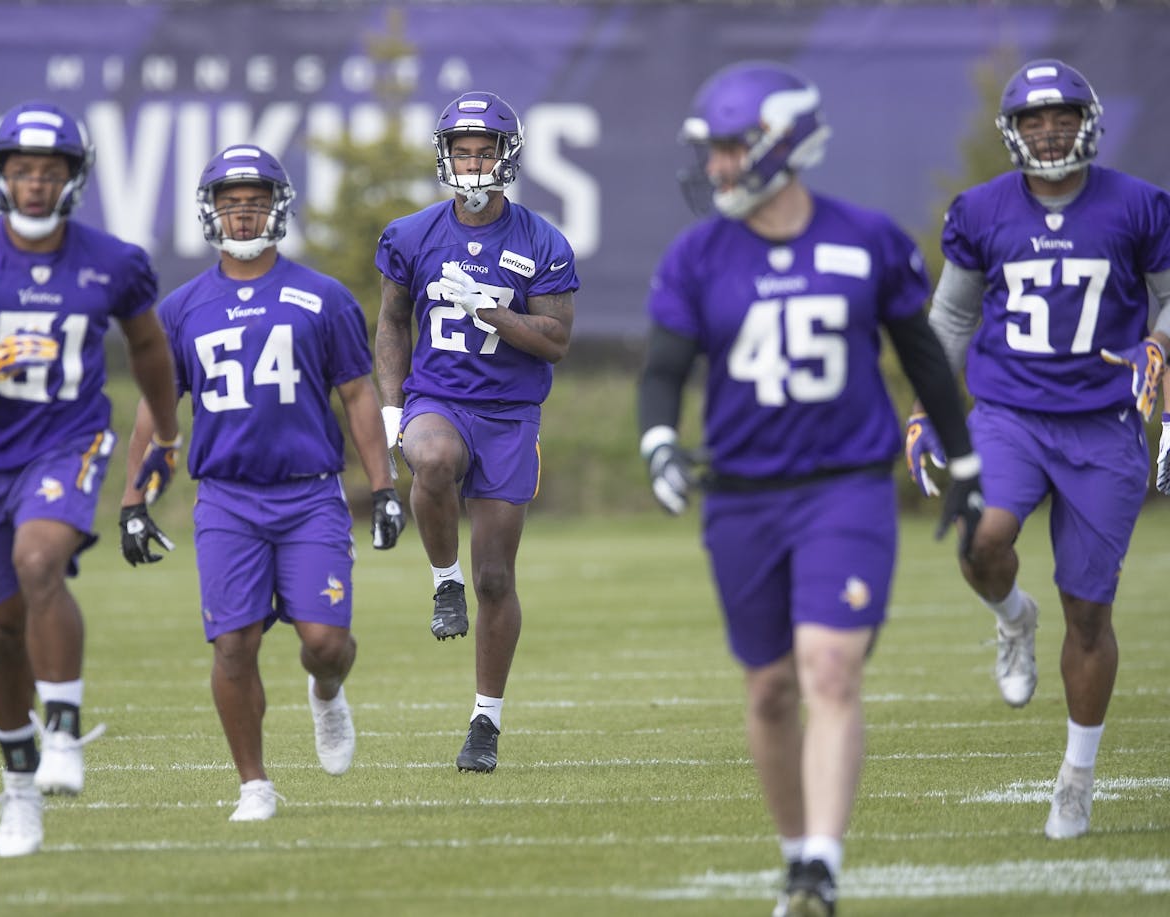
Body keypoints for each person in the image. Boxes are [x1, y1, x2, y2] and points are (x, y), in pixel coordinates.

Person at [636, 62, 983, 917]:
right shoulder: (698, 254)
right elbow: (664, 368)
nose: (717, 166)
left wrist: (966, 463)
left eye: (731, 147)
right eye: (711, 149)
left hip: (845, 489)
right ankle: (796, 852)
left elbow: (924, 356)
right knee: (769, 688)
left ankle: (821, 865)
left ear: (783, 143)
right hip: (745, 497)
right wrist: (657, 443)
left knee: (830, 668)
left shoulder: (866, 237)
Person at [0, 100, 181, 857]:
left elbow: (150, 345)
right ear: (0, 175)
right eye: (21, 169)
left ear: (72, 178)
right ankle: (19, 783)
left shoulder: (112, 260)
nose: (34, 182)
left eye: (49, 170)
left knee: (40, 561)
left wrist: (168, 428)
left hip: (69, 438)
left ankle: (63, 727)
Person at [905, 59, 1170, 841]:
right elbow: (950, 319)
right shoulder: (983, 210)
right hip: (1008, 413)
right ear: (1012, 131)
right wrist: (926, 399)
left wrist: (1160, 343)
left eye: (1060, 116)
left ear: (1086, 121)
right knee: (982, 532)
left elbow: (1167, 298)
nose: (1047, 130)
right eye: (1032, 119)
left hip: (1102, 423)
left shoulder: (1139, 205)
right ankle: (1013, 617)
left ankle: (1076, 777)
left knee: (1089, 611)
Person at [118, 145, 404, 822]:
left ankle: (327, 692)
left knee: (325, 643)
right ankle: (254, 782)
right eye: (229, 202)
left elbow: (357, 395)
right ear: (210, 211)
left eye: (253, 201)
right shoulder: (182, 308)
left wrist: (385, 484)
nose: (241, 214)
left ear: (277, 206)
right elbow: (156, 413)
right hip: (226, 496)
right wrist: (135, 496)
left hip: (308, 494)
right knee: (233, 643)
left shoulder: (322, 296)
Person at [374, 90, 577, 774]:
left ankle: (485, 719)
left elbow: (555, 340)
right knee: (429, 457)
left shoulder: (541, 241)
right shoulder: (411, 234)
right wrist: (391, 407)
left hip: (510, 415)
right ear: (444, 157)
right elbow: (394, 320)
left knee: (498, 577)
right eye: (460, 150)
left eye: (483, 149)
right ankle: (441, 578)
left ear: (506, 155)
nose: (470, 161)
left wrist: (496, 313)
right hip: (439, 397)